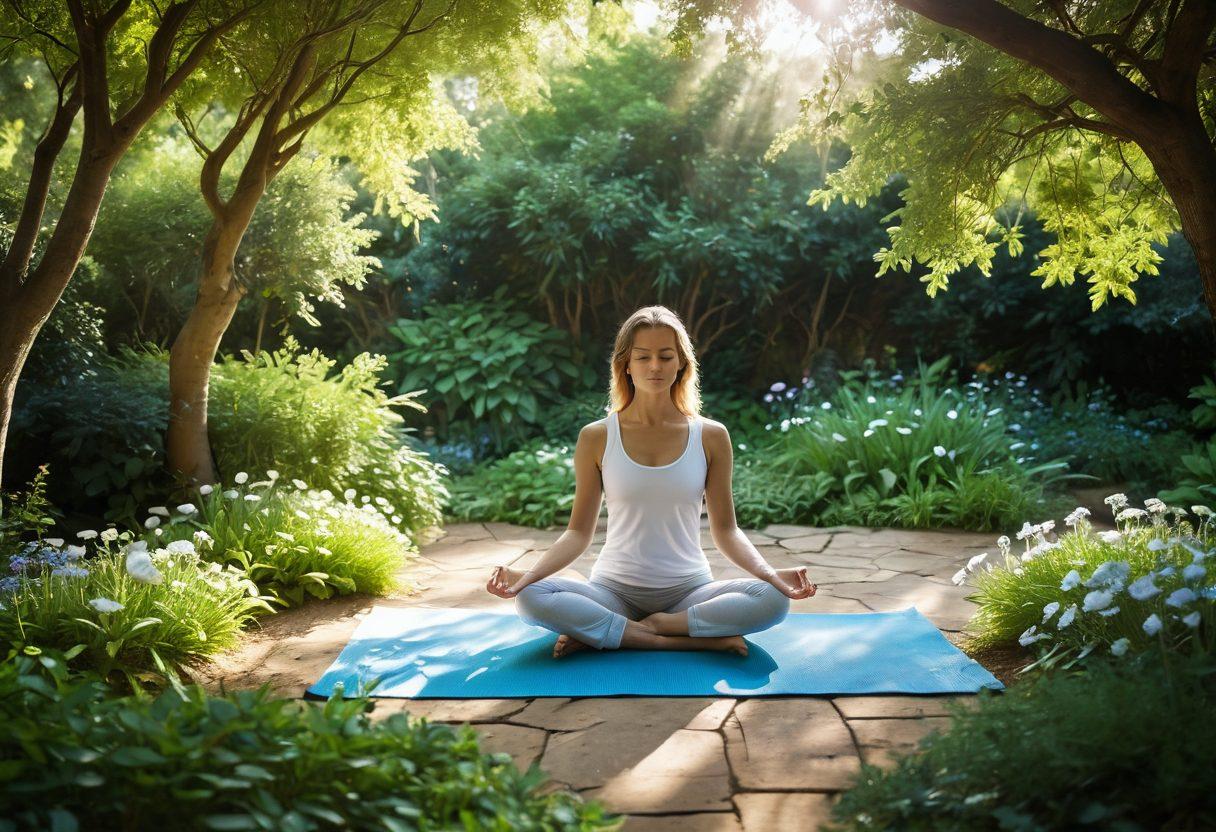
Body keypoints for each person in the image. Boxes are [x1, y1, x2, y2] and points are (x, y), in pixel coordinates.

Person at [486, 306, 817, 659]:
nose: (655, 366)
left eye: (665, 356)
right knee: (531, 597)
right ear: (626, 365)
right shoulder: (596, 437)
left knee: (772, 601)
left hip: (688, 591)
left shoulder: (711, 435)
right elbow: (578, 533)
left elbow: (727, 532)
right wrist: (528, 578)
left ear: (682, 364)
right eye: (643, 357)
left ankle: (622, 631)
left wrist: (770, 576)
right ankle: (674, 639)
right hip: (613, 591)